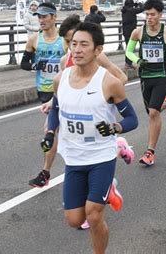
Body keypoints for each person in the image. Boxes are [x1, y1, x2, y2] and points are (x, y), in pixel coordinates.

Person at [40, 22, 138, 253]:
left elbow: (132, 119)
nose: (77, 49)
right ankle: (109, 190)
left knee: (94, 215)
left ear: (98, 50)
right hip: (74, 158)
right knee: (75, 220)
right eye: (74, 44)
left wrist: (115, 128)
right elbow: (55, 109)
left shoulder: (110, 83)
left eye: (84, 44)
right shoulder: (60, 79)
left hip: (101, 157)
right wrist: (50, 132)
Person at [126, 0, 166, 166]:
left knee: (153, 113)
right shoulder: (138, 32)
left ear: (160, 15)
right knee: (151, 111)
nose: (149, 18)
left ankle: (150, 152)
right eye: (146, 14)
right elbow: (129, 52)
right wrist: (137, 61)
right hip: (145, 77)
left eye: (152, 14)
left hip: (161, 76)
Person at [20, 2, 67, 187]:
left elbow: (74, 62)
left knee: (51, 130)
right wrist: (34, 65)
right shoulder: (33, 39)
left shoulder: (64, 40)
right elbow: (23, 63)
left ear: (54, 17)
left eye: (45, 16)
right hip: (44, 90)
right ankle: (47, 172)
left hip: (62, 89)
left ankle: (46, 173)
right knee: (54, 130)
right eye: (39, 16)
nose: (41, 20)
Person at [121, 0, 143, 68]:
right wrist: (140, 3)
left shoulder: (125, 10)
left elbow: (134, 9)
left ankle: (128, 63)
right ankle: (128, 63)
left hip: (125, 31)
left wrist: (135, 5)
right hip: (131, 31)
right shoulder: (131, 10)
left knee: (129, 46)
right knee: (130, 48)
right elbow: (141, 9)